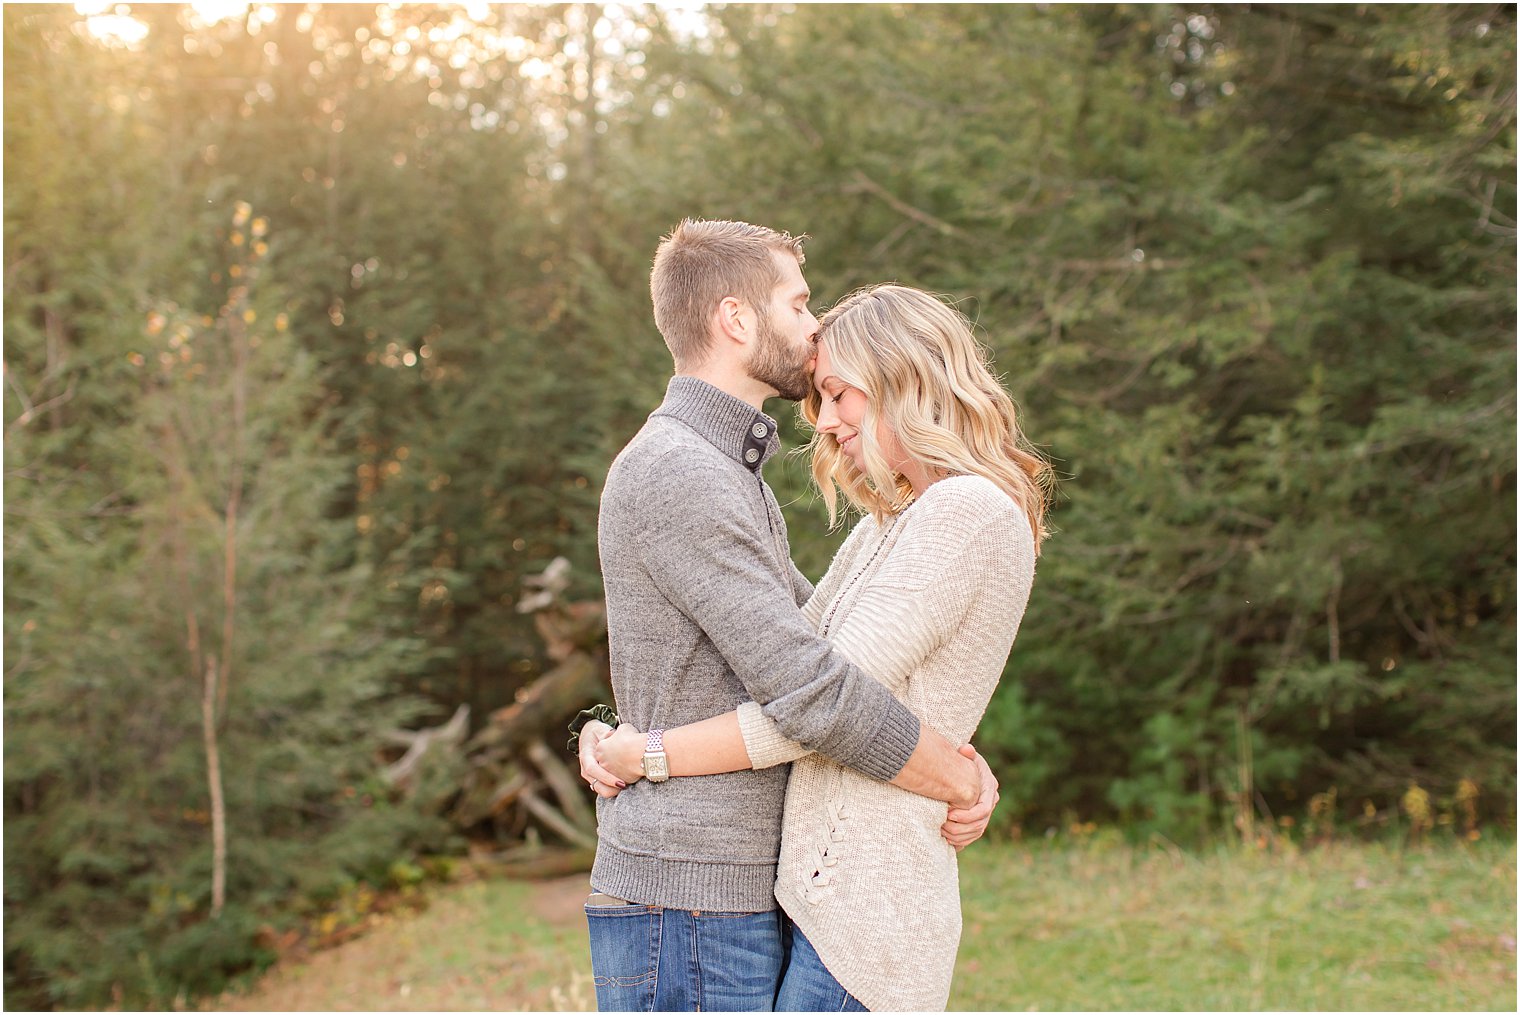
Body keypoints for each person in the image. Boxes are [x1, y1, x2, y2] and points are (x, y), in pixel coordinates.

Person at [585, 282, 1050, 1012]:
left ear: (905, 378)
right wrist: (951, 763)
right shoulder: (891, 523)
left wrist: (648, 755)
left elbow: (813, 701)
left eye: (840, 394)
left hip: (869, 912)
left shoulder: (967, 511)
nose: (827, 421)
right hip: (823, 903)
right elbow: (799, 668)